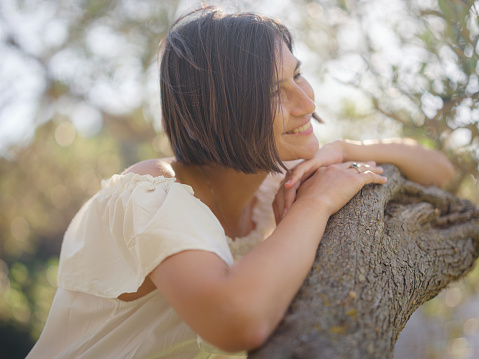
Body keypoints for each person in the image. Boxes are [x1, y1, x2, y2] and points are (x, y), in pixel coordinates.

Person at [27, 5, 454, 359]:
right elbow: (238, 319)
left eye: (298, 74)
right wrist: (314, 206)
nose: (307, 102)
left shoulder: (273, 181)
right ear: (217, 112)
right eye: (273, 92)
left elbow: (441, 173)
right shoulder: (151, 194)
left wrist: (348, 148)